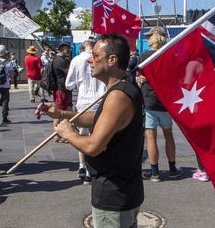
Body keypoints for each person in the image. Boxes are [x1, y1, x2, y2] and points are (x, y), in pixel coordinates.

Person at [42, 34, 144, 228]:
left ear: (112, 60)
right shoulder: (123, 88)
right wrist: (62, 114)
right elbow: (100, 119)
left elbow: (94, 146)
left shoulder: (119, 95)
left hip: (114, 193)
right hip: (124, 189)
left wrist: (68, 133)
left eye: (96, 55)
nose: (90, 59)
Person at [137, 26, 183, 181]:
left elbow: (138, 75)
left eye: (149, 36)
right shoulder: (170, 56)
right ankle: (172, 168)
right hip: (165, 102)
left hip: (149, 100)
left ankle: (155, 172)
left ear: (153, 38)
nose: (148, 39)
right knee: (168, 135)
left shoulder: (144, 57)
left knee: (150, 136)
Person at [65, 40, 107, 184]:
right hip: (98, 100)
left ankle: (82, 166)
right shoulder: (100, 58)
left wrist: (80, 82)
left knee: (82, 136)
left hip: (83, 101)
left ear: (83, 47)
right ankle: (91, 168)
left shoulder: (76, 60)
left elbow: (68, 84)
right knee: (96, 136)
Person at [52, 42, 73, 143]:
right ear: (62, 49)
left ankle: (63, 134)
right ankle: (56, 134)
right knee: (59, 111)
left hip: (65, 88)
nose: (68, 50)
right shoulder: (59, 60)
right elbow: (68, 72)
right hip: (61, 88)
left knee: (68, 111)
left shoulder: (63, 59)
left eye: (69, 48)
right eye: (67, 48)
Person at [0, 45, 13, 124]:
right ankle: (4, 118)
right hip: (5, 85)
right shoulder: (8, 63)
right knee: (5, 101)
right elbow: (11, 75)